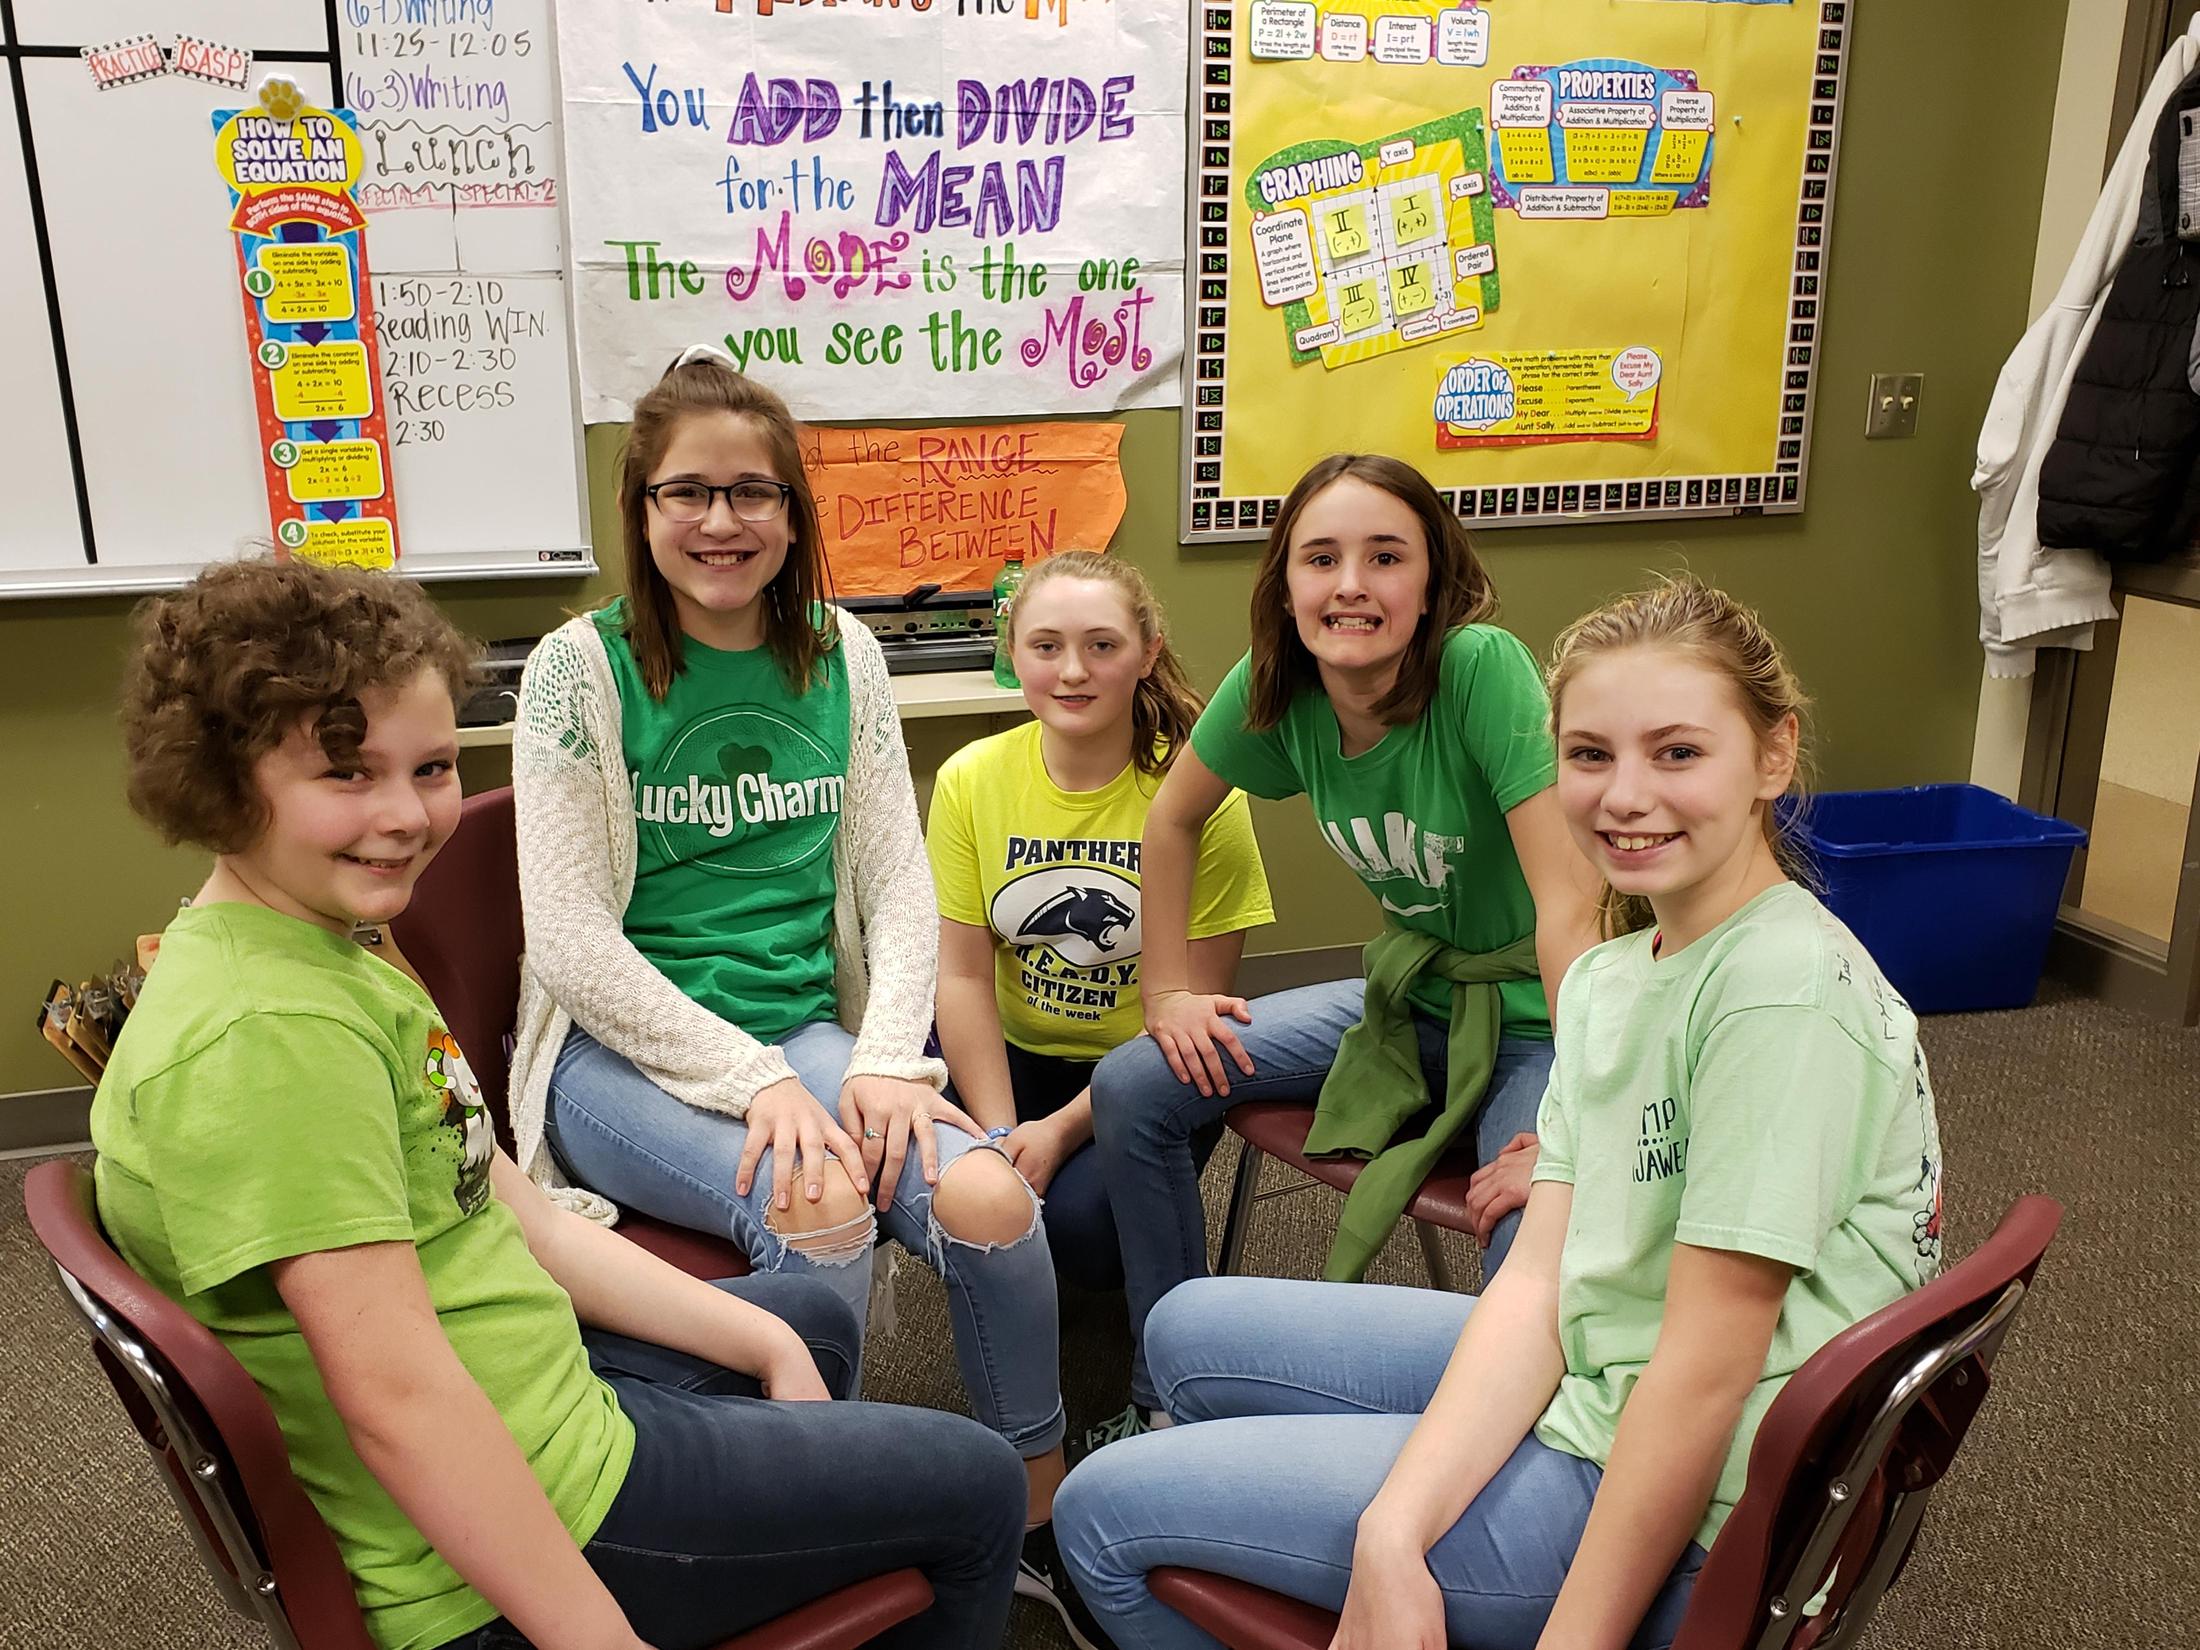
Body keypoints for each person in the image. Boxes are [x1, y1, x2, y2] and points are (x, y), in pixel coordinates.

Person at [93, 558, 1024, 1650]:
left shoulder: (330, 952)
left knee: (805, 1323)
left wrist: (765, 1351)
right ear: (221, 777)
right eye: (346, 774)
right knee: (979, 1487)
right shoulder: (273, 1037)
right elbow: (397, 1401)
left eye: (432, 767)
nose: (405, 815)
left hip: (526, 1387)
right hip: (515, 1534)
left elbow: (511, 1215)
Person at [1054, 575, 1947, 1650]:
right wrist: (1393, 1530)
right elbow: (1534, 1284)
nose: (1623, 796)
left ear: (1772, 755)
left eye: (1676, 753)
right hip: (1605, 1355)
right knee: (1186, 1336)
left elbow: (1701, 1381)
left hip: (1688, 1497)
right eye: (1588, 755)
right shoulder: (1621, 976)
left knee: (1096, 1515)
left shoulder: (1779, 995)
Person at [506, 347, 1076, 1621]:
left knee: (984, 1196)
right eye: (687, 493)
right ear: (641, 509)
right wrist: (757, 1079)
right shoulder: (575, 669)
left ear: (792, 513)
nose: (721, 521)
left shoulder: (846, 656)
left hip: (812, 1036)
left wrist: (879, 1060)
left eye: (754, 492)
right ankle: (839, 1514)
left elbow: (896, 884)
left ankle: (1039, 1522)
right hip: (626, 1062)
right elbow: (569, 945)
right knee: (819, 1204)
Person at [1087, 454, 1600, 1437]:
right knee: (1136, 1085)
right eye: (1320, 558)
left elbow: (1570, 913)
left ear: (1433, 582)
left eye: (1384, 556)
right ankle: (1169, 1394)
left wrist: (1574, 1130)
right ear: (1285, 583)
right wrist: (1168, 996)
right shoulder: (1277, 689)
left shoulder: (1479, 671)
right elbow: (1170, 821)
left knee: (1539, 1217)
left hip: (1546, 1021)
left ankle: (1497, 1438)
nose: (1351, 583)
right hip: (1408, 1005)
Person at [928, 549, 1274, 1293]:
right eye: (1046, 646)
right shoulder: (969, 780)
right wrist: (999, 1138)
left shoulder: (1200, 795)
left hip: (1144, 1066)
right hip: (1008, 1052)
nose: (1073, 672)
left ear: (1148, 655)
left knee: (1078, 1239)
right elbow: (958, 976)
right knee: (957, 1199)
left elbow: (1191, 1010)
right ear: (1013, 655)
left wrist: (1054, 1133)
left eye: (1102, 646)